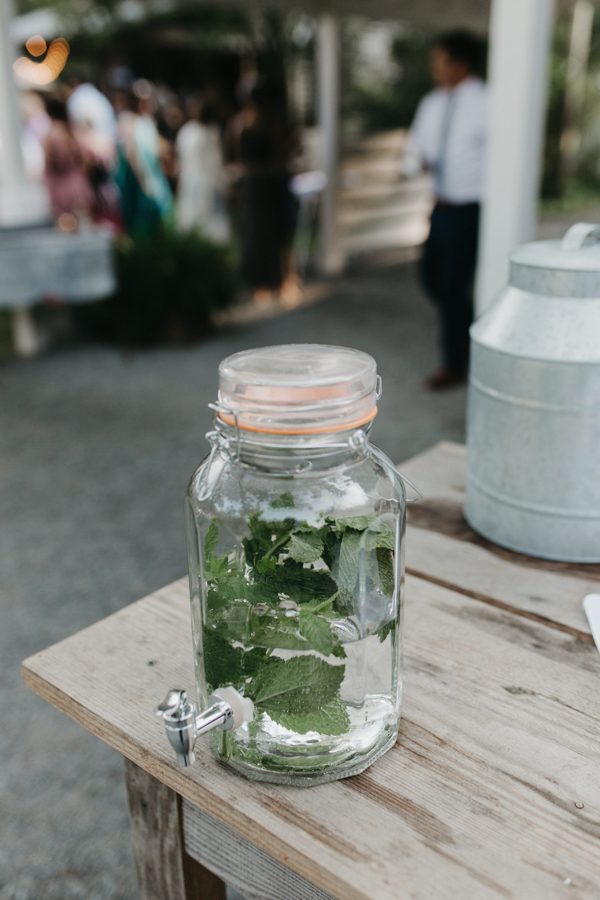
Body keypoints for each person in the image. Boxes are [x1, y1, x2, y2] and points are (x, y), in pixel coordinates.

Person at [405, 31, 487, 390]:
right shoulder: (432, 103)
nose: (433, 68)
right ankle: (470, 329)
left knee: (453, 285)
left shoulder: (488, 101)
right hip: (439, 205)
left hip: (472, 207)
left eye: (439, 60)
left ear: (460, 63)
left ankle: (455, 363)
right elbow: (416, 146)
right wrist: (414, 163)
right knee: (430, 277)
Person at [225, 80, 300, 302]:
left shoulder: (239, 124)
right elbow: (288, 150)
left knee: (260, 236)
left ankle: (267, 284)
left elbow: (232, 158)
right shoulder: (269, 122)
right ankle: (282, 282)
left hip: (254, 186)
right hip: (270, 185)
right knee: (276, 235)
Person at [114, 80, 173, 239]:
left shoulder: (148, 121)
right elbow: (130, 154)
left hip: (154, 178)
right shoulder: (128, 121)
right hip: (138, 181)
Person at [176, 97, 228, 241]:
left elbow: (216, 163)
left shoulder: (210, 133)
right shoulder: (188, 132)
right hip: (193, 181)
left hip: (206, 183)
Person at [43, 97, 95, 221]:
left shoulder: (51, 135)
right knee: (84, 220)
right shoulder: (73, 131)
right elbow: (87, 158)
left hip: (61, 186)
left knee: (66, 223)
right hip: (79, 183)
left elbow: (49, 163)